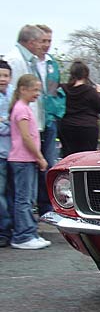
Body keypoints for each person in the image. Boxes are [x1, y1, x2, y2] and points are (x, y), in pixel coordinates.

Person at [8, 74, 50, 250]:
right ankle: (22, 235)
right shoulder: (21, 109)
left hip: (27, 159)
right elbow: (26, 136)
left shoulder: (23, 108)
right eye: (34, 90)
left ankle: (30, 232)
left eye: (38, 90)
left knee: (29, 198)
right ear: (23, 89)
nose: (37, 94)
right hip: (22, 159)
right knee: (24, 199)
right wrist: (40, 157)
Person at [34, 25, 66, 215]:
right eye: (43, 41)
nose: (46, 45)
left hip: (49, 121)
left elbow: (55, 93)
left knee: (49, 164)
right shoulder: (28, 62)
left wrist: (56, 114)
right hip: (31, 121)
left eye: (49, 41)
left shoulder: (52, 64)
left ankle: (46, 206)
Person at [58, 60, 100, 157]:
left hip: (67, 127)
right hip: (87, 128)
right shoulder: (90, 91)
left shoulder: (63, 88)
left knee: (68, 157)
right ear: (86, 74)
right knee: (86, 158)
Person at [4, 25, 44, 133]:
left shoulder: (31, 61)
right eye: (40, 42)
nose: (42, 46)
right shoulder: (14, 61)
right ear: (31, 42)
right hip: (20, 124)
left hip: (29, 122)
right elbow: (11, 93)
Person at [0, 60, 14, 247]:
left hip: (16, 154)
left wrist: (6, 121)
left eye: (5, 75)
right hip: (1, 154)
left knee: (16, 194)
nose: (2, 79)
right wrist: (8, 122)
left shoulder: (13, 95)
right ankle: (4, 230)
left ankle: (14, 228)